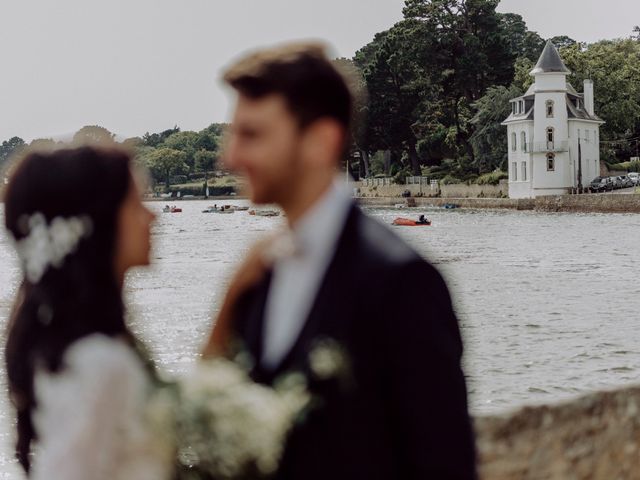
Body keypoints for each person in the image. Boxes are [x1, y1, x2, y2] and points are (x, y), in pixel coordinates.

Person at [204, 42, 477, 479]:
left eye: (251, 135)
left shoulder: (403, 281)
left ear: (320, 142)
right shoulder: (259, 273)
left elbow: (445, 464)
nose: (230, 157)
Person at [3, 147, 172, 479]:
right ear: (100, 223)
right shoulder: (99, 363)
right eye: (136, 205)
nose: (153, 217)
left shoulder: (70, 347)